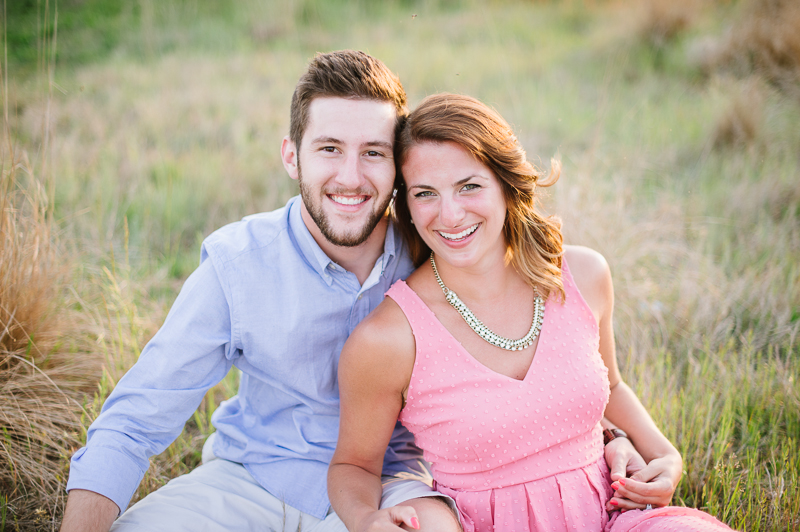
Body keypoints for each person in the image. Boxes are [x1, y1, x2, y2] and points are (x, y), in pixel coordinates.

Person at [60, 50, 464, 532]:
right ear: (292, 156)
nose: (352, 177)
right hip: (250, 478)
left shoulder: (435, 254)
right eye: (329, 148)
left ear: (397, 167)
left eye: (373, 152)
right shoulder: (238, 263)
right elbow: (134, 420)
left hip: (389, 484)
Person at [328, 93, 734, 532]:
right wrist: (368, 521)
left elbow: (612, 385)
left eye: (470, 186)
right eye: (426, 193)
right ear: (405, 204)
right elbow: (354, 465)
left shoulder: (582, 274)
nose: (450, 214)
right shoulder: (389, 337)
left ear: (505, 183)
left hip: (615, 517)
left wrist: (665, 456)